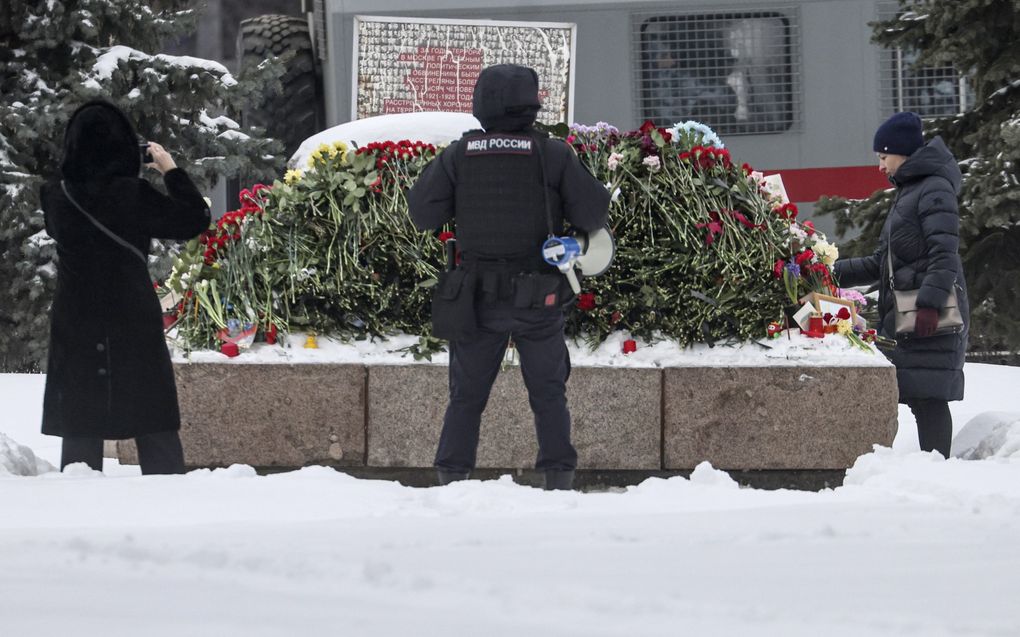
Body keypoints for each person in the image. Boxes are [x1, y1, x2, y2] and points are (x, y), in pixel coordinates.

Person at [407, 64, 610, 490]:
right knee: (549, 393)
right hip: (540, 297)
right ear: (531, 106)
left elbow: (423, 214)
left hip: (476, 300)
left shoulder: (459, 155)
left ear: (482, 103)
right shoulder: (552, 154)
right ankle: (558, 480)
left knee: (466, 396)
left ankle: (452, 478)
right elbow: (593, 213)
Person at [40, 99, 211, 473]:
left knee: (80, 425)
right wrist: (169, 169)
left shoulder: (56, 196)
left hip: (76, 317)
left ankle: (80, 504)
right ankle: (167, 501)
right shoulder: (133, 195)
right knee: (153, 420)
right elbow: (193, 219)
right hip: (130, 316)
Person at [834, 111, 969, 458]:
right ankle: (932, 466)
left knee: (929, 397)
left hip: (927, 312)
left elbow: (945, 253)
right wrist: (828, 272)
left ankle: (938, 469)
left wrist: (929, 304)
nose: (880, 166)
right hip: (914, 309)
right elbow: (883, 262)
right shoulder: (911, 191)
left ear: (903, 152)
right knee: (921, 395)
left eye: (883, 156)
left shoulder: (932, 189)